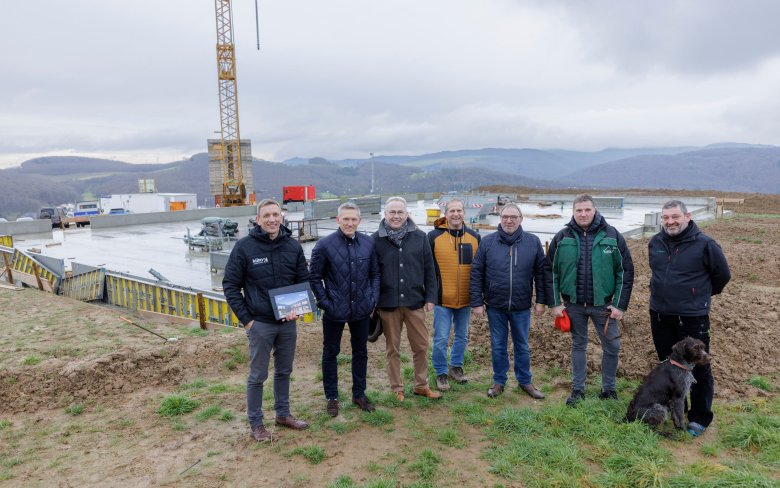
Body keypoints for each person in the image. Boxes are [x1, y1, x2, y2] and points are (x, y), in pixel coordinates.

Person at [223, 199, 310, 443]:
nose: (272, 219)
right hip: (259, 323)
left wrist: (298, 309)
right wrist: (248, 321)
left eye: (276, 214)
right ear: (258, 219)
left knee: (284, 371)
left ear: (281, 216)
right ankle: (256, 424)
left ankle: (283, 415)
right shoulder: (244, 247)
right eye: (267, 215)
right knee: (257, 375)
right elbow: (230, 286)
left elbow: (303, 281)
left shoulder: (292, 246)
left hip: (287, 323)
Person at [648, 200, 730, 437]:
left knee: (700, 368)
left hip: (693, 318)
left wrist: (698, 296)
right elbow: (657, 273)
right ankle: (678, 408)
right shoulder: (656, 242)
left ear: (687, 216)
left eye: (675, 216)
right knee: (669, 364)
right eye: (666, 217)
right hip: (661, 315)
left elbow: (722, 276)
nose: (670, 221)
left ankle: (700, 417)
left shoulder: (705, 244)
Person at [545, 194, 634, 406]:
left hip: (603, 306)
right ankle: (578, 390)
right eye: (578, 210)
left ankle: (608, 389)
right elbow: (550, 271)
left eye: (587, 210)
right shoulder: (562, 237)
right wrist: (555, 302)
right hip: (573, 305)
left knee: (611, 347)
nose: (583, 214)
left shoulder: (612, 236)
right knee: (578, 345)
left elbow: (625, 271)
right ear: (573, 212)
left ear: (594, 210)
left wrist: (620, 305)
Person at [309, 202, 380, 417]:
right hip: (334, 310)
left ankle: (359, 393)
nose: (350, 223)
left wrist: (372, 300)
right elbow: (314, 277)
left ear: (359, 221)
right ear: (338, 220)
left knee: (361, 352)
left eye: (354, 219)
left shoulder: (368, 243)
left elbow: (375, 274)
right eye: (345, 219)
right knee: (331, 352)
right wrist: (325, 303)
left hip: (361, 309)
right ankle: (332, 397)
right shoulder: (324, 245)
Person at [470, 203, 547, 400]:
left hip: (521, 306)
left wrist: (541, 300)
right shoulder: (487, 243)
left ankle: (525, 381)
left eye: (513, 217)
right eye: (505, 217)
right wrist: (477, 302)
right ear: (500, 218)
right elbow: (477, 272)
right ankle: (499, 381)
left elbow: (541, 273)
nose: (509, 220)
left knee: (522, 344)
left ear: (521, 219)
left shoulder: (532, 242)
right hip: (495, 305)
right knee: (498, 345)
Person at [372, 196, 441, 401]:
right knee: (392, 348)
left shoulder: (420, 237)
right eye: (392, 212)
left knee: (420, 346)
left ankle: (421, 385)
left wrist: (431, 297)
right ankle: (397, 388)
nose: (396, 216)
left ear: (407, 214)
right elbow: (371, 272)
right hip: (388, 304)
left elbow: (430, 270)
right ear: (385, 214)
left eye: (400, 212)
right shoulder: (375, 240)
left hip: (415, 301)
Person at [427, 198, 480, 391]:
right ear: (446, 214)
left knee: (462, 336)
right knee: (441, 337)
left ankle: (455, 367)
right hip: (442, 299)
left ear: (464, 213)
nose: (455, 214)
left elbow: (478, 269)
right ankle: (441, 372)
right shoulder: (433, 237)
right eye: (452, 211)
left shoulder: (474, 237)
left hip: (466, 299)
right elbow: (428, 270)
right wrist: (429, 297)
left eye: (459, 210)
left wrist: (477, 298)